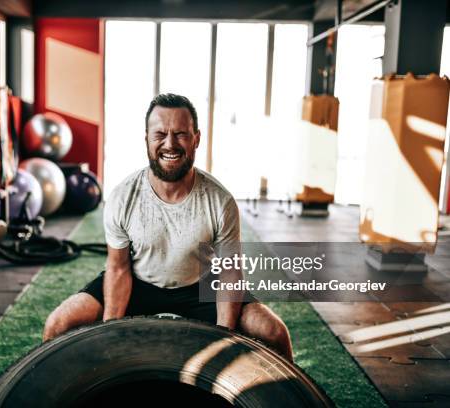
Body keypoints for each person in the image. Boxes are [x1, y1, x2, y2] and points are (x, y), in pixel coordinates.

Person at [43, 93, 293, 361]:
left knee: (273, 332)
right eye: (160, 134)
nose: (170, 144)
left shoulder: (220, 201)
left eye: (181, 134)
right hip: (138, 284)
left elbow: (229, 273)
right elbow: (118, 267)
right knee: (58, 324)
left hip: (200, 286)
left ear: (196, 138)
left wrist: (222, 337)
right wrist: (110, 334)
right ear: (147, 140)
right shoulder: (123, 196)